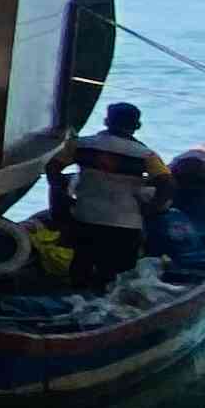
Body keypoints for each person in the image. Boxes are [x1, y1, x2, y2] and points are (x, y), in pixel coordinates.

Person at [48, 101, 169, 290]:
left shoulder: (81, 145)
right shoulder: (145, 155)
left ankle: (78, 296)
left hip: (85, 216)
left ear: (106, 121)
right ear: (137, 126)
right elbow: (167, 183)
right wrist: (151, 208)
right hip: (125, 224)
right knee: (118, 274)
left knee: (81, 265)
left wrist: (62, 195)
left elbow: (52, 168)